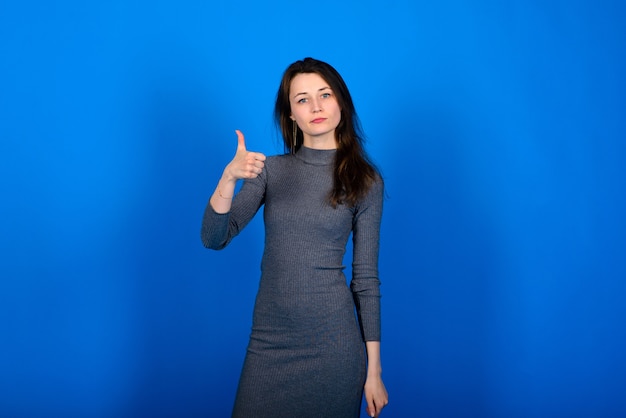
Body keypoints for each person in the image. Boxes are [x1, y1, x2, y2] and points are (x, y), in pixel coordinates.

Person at [201, 57, 388, 418]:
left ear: (341, 103)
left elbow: (366, 280)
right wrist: (229, 178)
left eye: (325, 95)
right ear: (290, 114)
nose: (316, 107)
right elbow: (214, 237)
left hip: (334, 348)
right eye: (302, 99)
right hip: (269, 344)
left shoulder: (365, 182)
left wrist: (374, 371)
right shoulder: (270, 171)